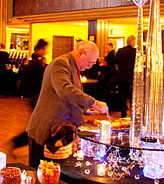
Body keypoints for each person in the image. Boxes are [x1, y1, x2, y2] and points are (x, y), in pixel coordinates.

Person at [26, 40, 109, 168]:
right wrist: (94, 103)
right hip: (46, 131)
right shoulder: (60, 64)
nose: (90, 66)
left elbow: (69, 98)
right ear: (81, 53)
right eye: (89, 62)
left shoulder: (73, 67)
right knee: (41, 176)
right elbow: (65, 90)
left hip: (61, 132)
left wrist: (86, 109)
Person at [23, 39, 48, 108]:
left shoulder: (37, 60)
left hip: (36, 88)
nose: (45, 51)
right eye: (43, 49)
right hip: (35, 88)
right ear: (37, 49)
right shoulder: (35, 61)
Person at [116, 35, 136, 118]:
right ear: (132, 42)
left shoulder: (120, 50)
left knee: (122, 96)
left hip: (121, 76)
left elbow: (116, 61)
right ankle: (133, 114)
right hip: (131, 77)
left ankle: (123, 113)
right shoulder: (135, 51)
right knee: (132, 97)